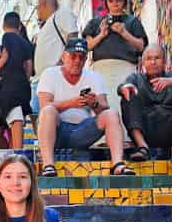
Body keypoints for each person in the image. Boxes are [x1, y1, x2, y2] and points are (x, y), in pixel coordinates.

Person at [35, 38, 133, 177]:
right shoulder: (50, 74)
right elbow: (44, 106)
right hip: (56, 131)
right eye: (73, 56)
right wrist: (71, 103)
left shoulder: (94, 77)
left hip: (82, 131)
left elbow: (103, 109)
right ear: (63, 57)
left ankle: (117, 164)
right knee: (48, 111)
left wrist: (94, 104)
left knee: (111, 114)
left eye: (81, 57)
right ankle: (48, 165)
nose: (77, 61)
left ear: (86, 59)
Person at [118, 44, 172, 160]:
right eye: (149, 59)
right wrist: (124, 88)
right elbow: (122, 87)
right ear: (143, 63)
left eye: (157, 58)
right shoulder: (136, 78)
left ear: (164, 61)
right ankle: (142, 148)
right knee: (128, 95)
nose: (153, 62)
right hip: (146, 130)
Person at [82, 0, 148, 118]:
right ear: (106, 2)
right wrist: (101, 35)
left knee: (125, 106)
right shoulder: (96, 23)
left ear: (124, 1)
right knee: (103, 105)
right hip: (101, 71)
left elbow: (142, 46)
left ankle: (126, 138)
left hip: (126, 69)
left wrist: (125, 33)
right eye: (111, 0)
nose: (115, 3)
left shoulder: (132, 21)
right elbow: (87, 46)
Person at [0, 12, 33, 149]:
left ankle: (16, 153)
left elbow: (5, 55)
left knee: (14, 116)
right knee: (15, 117)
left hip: (9, 83)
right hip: (22, 85)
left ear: (3, 26)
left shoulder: (7, 37)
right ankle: (15, 151)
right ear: (19, 26)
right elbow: (29, 66)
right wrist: (24, 80)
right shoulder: (26, 43)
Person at [31, 0, 80, 116]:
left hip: (53, 78)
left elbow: (73, 38)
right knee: (40, 122)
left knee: (51, 120)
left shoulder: (61, 14)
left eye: (37, 8)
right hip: (42, 80)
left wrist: (62, 64)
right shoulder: (48, 23)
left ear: (43, 4)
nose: (37, 12)